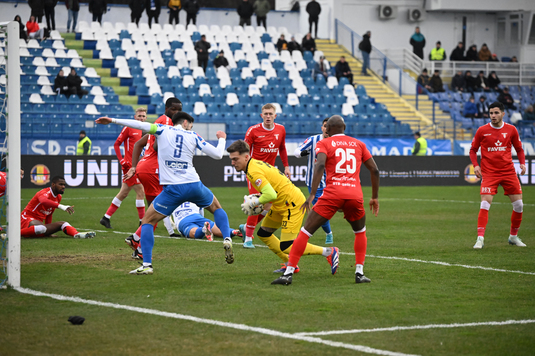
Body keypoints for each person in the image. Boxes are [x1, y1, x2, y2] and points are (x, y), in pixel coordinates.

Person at [96, 111, 234, 275]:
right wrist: (222, 138)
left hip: (173, 189)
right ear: (185, 123)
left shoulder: (161, 129)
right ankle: (227, 238)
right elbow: (218, 155)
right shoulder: (193, 135)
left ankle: (147, 264)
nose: (191, 127)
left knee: (147, 221)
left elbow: (140, 125)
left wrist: (112, 120)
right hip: (194, 184)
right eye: (190, 124)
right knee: (217, 208)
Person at [272, 116, 380, 286]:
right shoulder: (359, 144)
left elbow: (320, 165)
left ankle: (288, 273)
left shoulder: (324, 143)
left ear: (328, 129)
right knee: (360, 232)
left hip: (332, 194)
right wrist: (374, 197)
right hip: (354, 195)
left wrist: (312, 194)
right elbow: (374, 169)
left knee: (305, 232)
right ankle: (359, 272)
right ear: (344, 128)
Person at [228, 140, 339, 274]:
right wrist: (259, 200)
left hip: (292, 204)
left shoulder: (253, 170)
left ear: (246, 157)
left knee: (287, 245)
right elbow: (271, 192)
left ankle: (329, 251)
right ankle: (289, 263)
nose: (232, 163)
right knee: (264, 234)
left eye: (235, 159)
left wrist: (253, 203)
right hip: (280, 203)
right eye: (231, 160)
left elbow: (270, 194)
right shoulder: (254, 165)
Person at [124, 98, 183, 252]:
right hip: (153, 169)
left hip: (145, 168)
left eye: (179, 110)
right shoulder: (166, 121)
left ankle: (136, 240)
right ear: (166, 108)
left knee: (155, 211)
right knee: (157, 212)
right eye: (174, 109)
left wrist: (134, 167)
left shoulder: (158, 123)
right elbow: (158, 145)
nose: (176, 113)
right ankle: (139, 245)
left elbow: (139, 144)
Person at [469, 101, 526, 249]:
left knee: (519, 205)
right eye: (491, 113)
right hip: (489, 173)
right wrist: (476, 165)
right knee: (485, 204)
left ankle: (513, 236)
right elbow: (473, 150)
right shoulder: (482, 130)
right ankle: (480, 239)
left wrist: (522, 163)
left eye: (496, 113)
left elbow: (519, 149)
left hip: (508, 172)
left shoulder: (511, 129)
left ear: (502, 113)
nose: (493, 116)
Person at [239, 103, 291, 249]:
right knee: (257, 202)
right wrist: (246, 168)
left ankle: (246, 227)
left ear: (275, 116)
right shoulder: (253, 131)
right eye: (265, 114)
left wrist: (286, 166)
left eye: (270, 114)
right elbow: (245, 150)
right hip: (255, 172)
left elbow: (282, 148)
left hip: (271, 172)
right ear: (261, 116)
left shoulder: (281, 129)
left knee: (269, 205)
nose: (268, 116)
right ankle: (248, 238)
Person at [99, 108, 147, 229]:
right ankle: (143, 222)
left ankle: (106, 218)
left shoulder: (146, 129)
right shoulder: (129, 127)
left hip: (137, 166)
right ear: (135, 117)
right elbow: (116, 144)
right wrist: (122, 160)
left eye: (143, 116)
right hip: (129, 166)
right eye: (139, 116)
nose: (141, 118)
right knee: (140, 192)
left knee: (124, 193)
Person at [294, 118, 334, 244]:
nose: (327, 128)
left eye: (329, 126)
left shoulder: (337, 142)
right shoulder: (313, 140)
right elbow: (296, 152)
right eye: (325, 126)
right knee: (319, 209)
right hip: (315, 182)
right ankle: (328, 233)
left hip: (332, 181)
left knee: (330, 208)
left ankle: (313, 231)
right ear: (322, 128)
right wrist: (303, 153)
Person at [20, 176, 96, 239]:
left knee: (63, 223)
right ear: (53, 184)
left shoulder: (58, 197)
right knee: (41, 228)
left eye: (64, 185)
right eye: (60, 184)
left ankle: (77, 234)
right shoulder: (44, 192)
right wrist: (62, 206)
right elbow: (43, 201)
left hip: (38, 224)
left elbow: (49, 213)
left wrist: (48, 233)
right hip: (27, 218)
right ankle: (14, 235)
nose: (63, 187)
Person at [171, 202, 242, 241]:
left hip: (183, 220)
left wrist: (171, 232)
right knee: (218, 229)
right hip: (197, 216)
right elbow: (201, 210)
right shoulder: (193, 197)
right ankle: (234, 232)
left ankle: (203, 229)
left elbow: (166, 217)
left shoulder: (173, 200)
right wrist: (202, 220)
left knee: (193, 232)